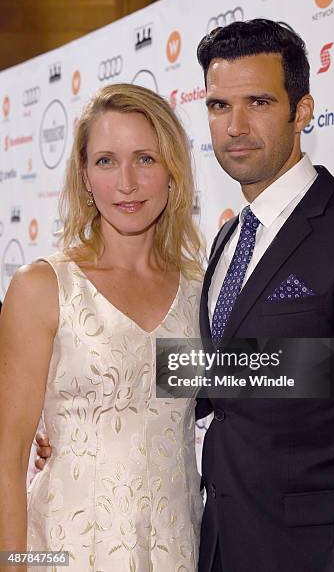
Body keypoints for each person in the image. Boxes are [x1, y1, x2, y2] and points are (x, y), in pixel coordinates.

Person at [194, 19, 334, 571]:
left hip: (312, 553)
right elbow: (228, 380)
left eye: (258, 101)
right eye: (219, 106)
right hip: (218, 543)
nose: (235, 126)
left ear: (303, 110)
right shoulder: (227, 239)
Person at [0, 83, 204, 572]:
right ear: (85, 177)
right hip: (65, 550)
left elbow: (260, 380)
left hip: (177, 549)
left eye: (145, 159)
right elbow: (8, 451)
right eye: (107, 161)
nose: (127, 183)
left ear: (172, 170)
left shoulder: (204, 290)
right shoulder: (43, 286)